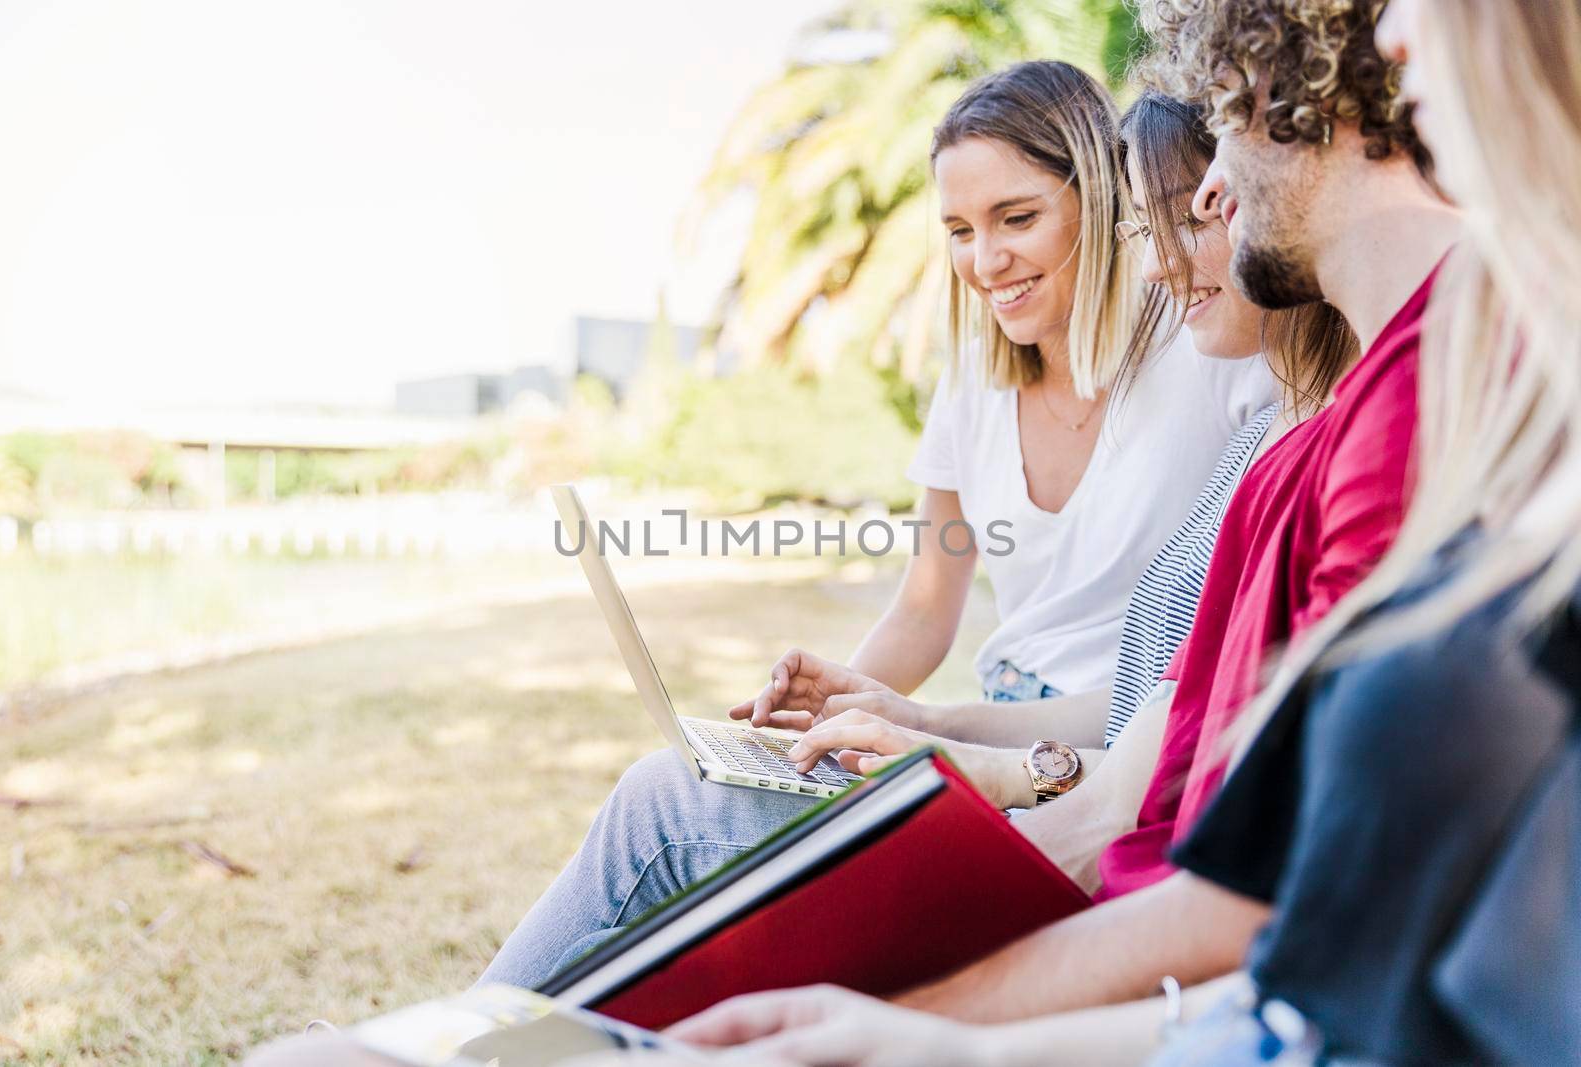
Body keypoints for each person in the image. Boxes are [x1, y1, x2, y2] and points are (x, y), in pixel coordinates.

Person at [476, 61, 1277, 989]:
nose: (986, 261)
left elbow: (1191, 675)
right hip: (991, 718)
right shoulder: (975, 379)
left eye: (1018, 220)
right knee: (676, 798)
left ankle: (442, 1045)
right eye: (960, 232)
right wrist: (844, 706)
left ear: (1099, 200)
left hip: (1086, 743)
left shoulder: (1207, 338)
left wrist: (938, 730)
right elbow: (926, 606)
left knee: (666, 808)